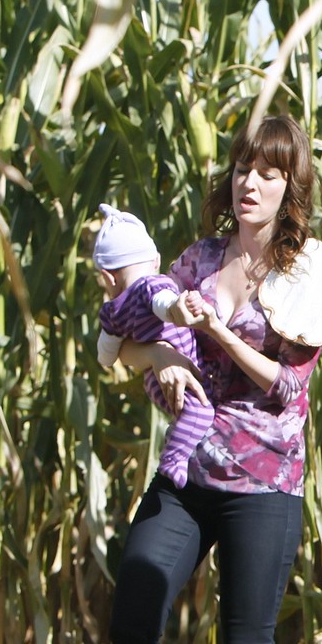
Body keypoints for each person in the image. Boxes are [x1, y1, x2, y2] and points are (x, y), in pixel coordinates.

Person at [99, 114, 322, 644]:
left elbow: (286, 389)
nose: (250, 182)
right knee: (134, 607)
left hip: (265, 480)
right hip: (190, 467)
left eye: (267, 170)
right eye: (241, 169)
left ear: (291, 185)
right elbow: (143, 339)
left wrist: (223, 336)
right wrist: (162, 362)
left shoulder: (305, 272)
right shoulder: (195, 260)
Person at [92, 205, 212, 488]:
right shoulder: (152, 285)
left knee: (188, 413)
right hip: (181, 373)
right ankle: (173, 458)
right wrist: (176, 309)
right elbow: (163, 303)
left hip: (154, 380)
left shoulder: (112, 311)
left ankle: (179, 436)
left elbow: (106, 355)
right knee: (203, 410)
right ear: (156, 260)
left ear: (108, 278)